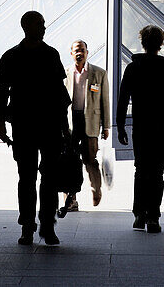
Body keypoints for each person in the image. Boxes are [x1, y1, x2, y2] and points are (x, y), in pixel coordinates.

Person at [0, 10, 71, 246]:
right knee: (45, 178)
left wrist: (0, 125)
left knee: (26, 178)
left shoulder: (11, 56)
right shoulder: (50, 55)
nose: (45, 27)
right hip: (46, 125)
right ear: (28, 26)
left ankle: (29, 225)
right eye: (41, 24)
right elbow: (60, 96)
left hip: (24, 125)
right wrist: (65, 129)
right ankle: (46, 226)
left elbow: (2, 94)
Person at [116, 25, 164, 233]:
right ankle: (154, 215)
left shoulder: (133, 68)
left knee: (141, 170)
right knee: (157, 171)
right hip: (161, 126)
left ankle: (139, 214)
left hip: (140, 126)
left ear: (142, 42)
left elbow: (123, 98)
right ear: (161, 44)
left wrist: (121, 126)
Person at [63, 39, 110, 210]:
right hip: (70, 123)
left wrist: (106, 126)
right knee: (69, 161)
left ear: (87, 52)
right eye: (76, 50)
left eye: (82, 50)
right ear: (71, 53)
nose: (79, 53)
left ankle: (95, 189)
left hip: (90, 121)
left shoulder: (99, 73)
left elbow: (105, 101)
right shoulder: (65, 73)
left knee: (90, 159)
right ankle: (71, 200)